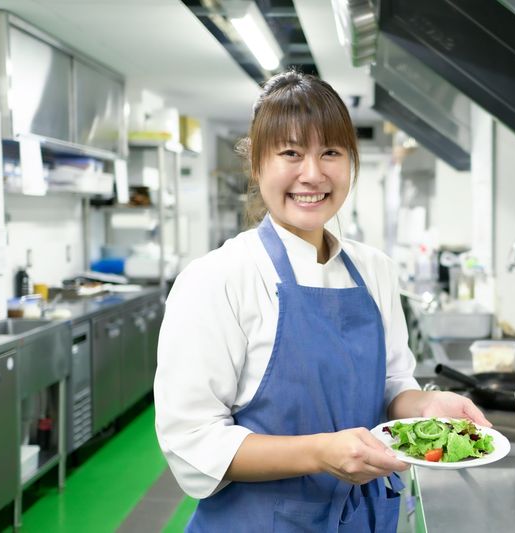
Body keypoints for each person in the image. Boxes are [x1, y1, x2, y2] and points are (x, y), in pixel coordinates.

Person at [154, 70, 490, 532]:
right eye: (291, 153)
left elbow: (392, 383)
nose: (312, 174)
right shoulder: (217, 279)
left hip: (365, 520)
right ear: (257, 164)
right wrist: (319, 453)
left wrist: (425, 407)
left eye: (330, 152)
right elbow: (193, 440)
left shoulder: (374, 270)